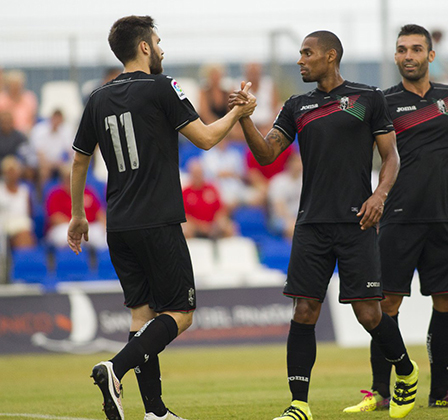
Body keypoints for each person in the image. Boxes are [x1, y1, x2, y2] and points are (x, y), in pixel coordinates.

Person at [66, 15, 255, 420]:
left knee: (142, 315)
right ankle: (115, 369)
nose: (163, 49)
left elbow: (80, 160)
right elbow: (205, 139)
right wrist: (238, 115)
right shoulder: (163, 86)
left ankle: (155, 411)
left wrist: (78, 214)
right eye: (158, 41)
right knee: (181, 313)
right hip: (158, 220)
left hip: (118, 224)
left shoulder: (97, 97)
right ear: (145, 47)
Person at [230, 30, 419, 420]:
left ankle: (406, 371)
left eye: (307, 53)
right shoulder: (297, 105)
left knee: (369, 314)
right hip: (311, 224)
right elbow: (267, 155)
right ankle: (299, 404)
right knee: (304, 313)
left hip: (357, 223)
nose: (301, 60)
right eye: (300, 54)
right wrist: (246, 119)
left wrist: (379, 195)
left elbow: (392, 157)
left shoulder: (369, 98)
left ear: (330, 57)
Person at [342, 24, 448, 413]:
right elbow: (354, 149)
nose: (409, 56)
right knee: (385, 304)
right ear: (395, 56)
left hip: (444, 218)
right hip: (398, 219)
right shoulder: (381, 101)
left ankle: (442, 392)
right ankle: (379, 392)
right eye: (402, 50)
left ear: (430, 55)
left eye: (416, 49)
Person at [47, 164, 106, 250]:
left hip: (89, 228)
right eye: (69, 178)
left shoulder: (88, 192)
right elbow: (55, 218)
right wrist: (77, 227)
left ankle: (99, 262)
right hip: (66, 227)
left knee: (105, 237)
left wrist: (105, 226)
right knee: (63, 236)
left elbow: (99, 213)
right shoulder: (55, 194)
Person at [181, 158, 235, 239]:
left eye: (199, 173)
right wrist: (200, 226)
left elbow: (220, 209)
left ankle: (226, 250)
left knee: (229, 227)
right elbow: (184, 215)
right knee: (185, 230)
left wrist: (215, 223)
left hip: (213, 225)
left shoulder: (211, 188)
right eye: (195, 174)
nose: (197, 176)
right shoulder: (186, 192)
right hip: (194, 227)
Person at [0, 155, 36, 249]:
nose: (12, 174)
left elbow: (29, 213)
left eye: (14, 171)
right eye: (9, 171)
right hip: (4, 226)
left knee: (24, 235)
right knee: (24, 237)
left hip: (23, 226)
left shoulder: (25, 191)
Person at [0, 69, 37, 134]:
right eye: (13, 86)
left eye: (17, 86)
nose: (15, 89)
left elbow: (32, 119)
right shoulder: (2, 99)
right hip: (5, 134)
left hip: (26, 133)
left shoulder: (29, 98)